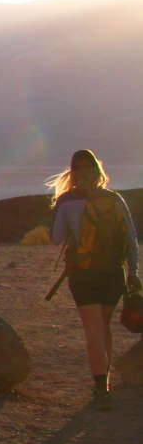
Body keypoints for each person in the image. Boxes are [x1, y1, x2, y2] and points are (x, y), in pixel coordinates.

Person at [48, 149, 140, 406]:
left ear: (73, 173)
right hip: (113, 272)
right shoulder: (114, 199)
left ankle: (101, 387)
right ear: (98, 171)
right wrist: (134, 273)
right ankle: (104, 382)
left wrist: (64, 215)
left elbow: (55, 238)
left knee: (94, 330)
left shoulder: (67, 201)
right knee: (103, 327)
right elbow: (131, 239)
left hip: (83, 273)